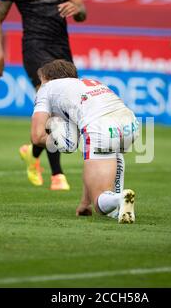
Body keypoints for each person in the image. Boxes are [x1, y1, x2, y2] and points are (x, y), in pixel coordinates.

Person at [0, 0, 87, 190]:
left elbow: (82, 13)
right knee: (52, 104)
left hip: (61, 50)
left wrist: (76, 9)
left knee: (66, 108)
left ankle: (32, 153)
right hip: (34, 49)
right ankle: (57, 174)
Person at [31, 59, 140, 223]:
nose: (40, 85)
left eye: (41, 81)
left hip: (100, 127)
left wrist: (64, 144)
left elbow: (37, 136)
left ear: (49, 78)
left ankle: (118, 198)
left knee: (99, 202)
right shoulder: (88, 84)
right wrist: (84, 203)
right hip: (130, 124)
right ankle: (118, 202)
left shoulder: (47, 89)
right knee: (105, 151)